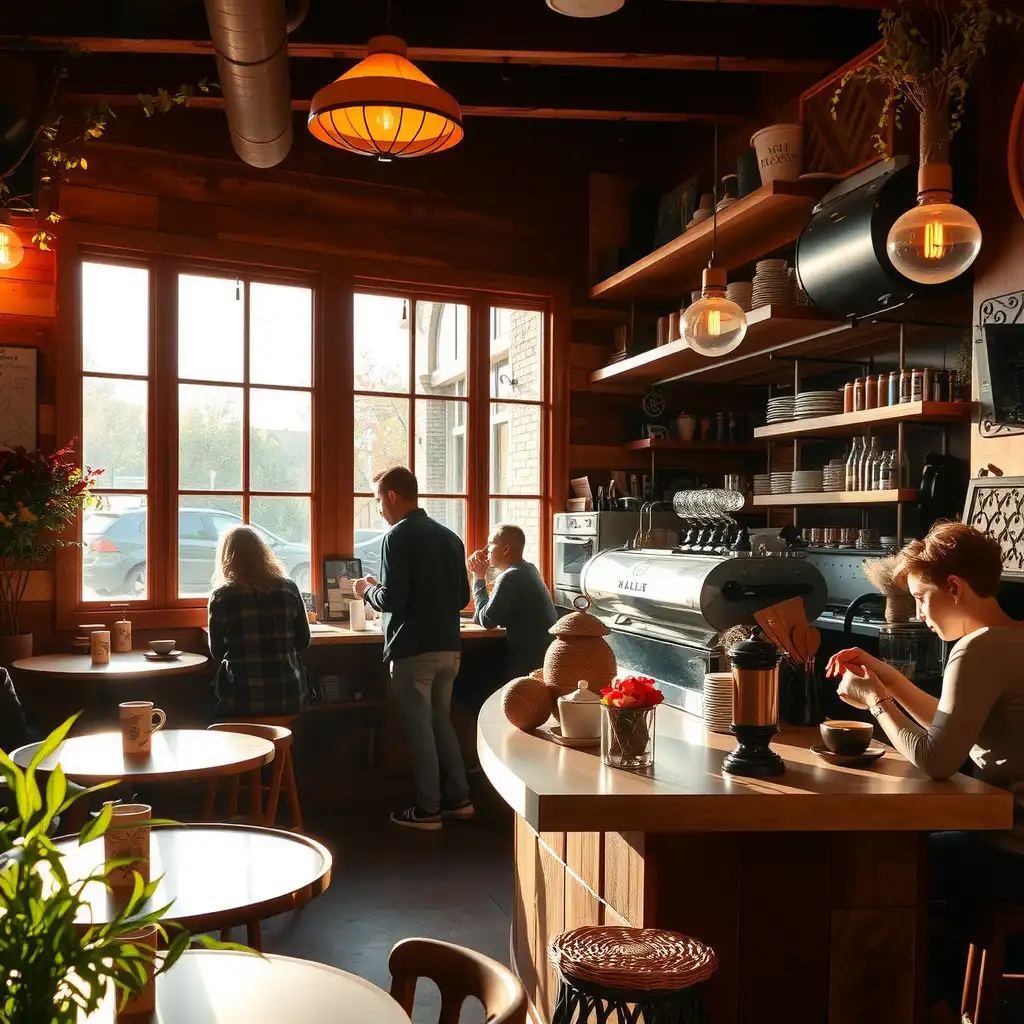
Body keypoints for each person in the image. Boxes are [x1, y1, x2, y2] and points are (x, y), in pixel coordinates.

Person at [825, 520, 1024, 1024]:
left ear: (953, 586)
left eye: (921, 596)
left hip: (1013, 853)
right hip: (1011, 840)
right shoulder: (1011, 639)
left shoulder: (978, 648)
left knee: (885, 868)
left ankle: (926, 1013)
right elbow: (953, 723)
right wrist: (886, 675)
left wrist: (875, 700)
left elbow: (938, 759)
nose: (918, 613)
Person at [354, 466, 473, 831]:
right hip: (449, 649)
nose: (378, 509)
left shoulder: (397, 537)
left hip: (412, 649)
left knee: (420, 728)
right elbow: (463, 598)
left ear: (392, 495)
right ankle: (461, 799)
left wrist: (365, 591)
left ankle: (428, 809)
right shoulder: (451, 538)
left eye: (377, 499)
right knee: (442, 721)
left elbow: (393, 598)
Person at [207, 525, 311, 719]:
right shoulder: (289, 588)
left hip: (242, 699)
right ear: (264, 553)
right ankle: (284, 748)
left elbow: (217, 651)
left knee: (205, 709)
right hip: (289, 695)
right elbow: (303, 641)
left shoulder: (222, 596)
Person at [467, 523, 556, 682]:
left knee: (470, 672)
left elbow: (487, 620)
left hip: (527, 665)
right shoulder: (528, 569)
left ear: (505, 549)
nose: (486, 550)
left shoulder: (511, 576)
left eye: (490, 544)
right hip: (541, 658)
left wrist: (478, 577)